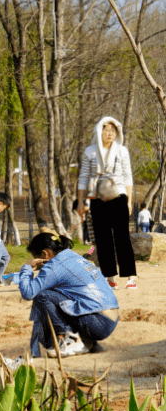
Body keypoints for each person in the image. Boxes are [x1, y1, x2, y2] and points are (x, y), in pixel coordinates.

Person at [18, 231, 119, 357]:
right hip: (110, 319)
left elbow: (28, 293)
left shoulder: (53, 266)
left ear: (45, 253)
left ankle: (69, 341)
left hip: (97, 323)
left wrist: (27, 268)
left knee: (43, 296)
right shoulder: (73, 256)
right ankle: (89, 344)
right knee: (58, 297)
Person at [77, 116, 137, 288]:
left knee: (122, 237)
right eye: (106, 130)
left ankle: (131, 277)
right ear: (99, 131)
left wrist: (129, 201)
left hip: (118, 196)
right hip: (97, 198)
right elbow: (83, 177)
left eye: (113, 130)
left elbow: (128, 176)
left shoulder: (122, 150)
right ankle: (109, 277)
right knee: (103, 239)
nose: (110, 133)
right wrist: (81, 201)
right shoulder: (90, 151)